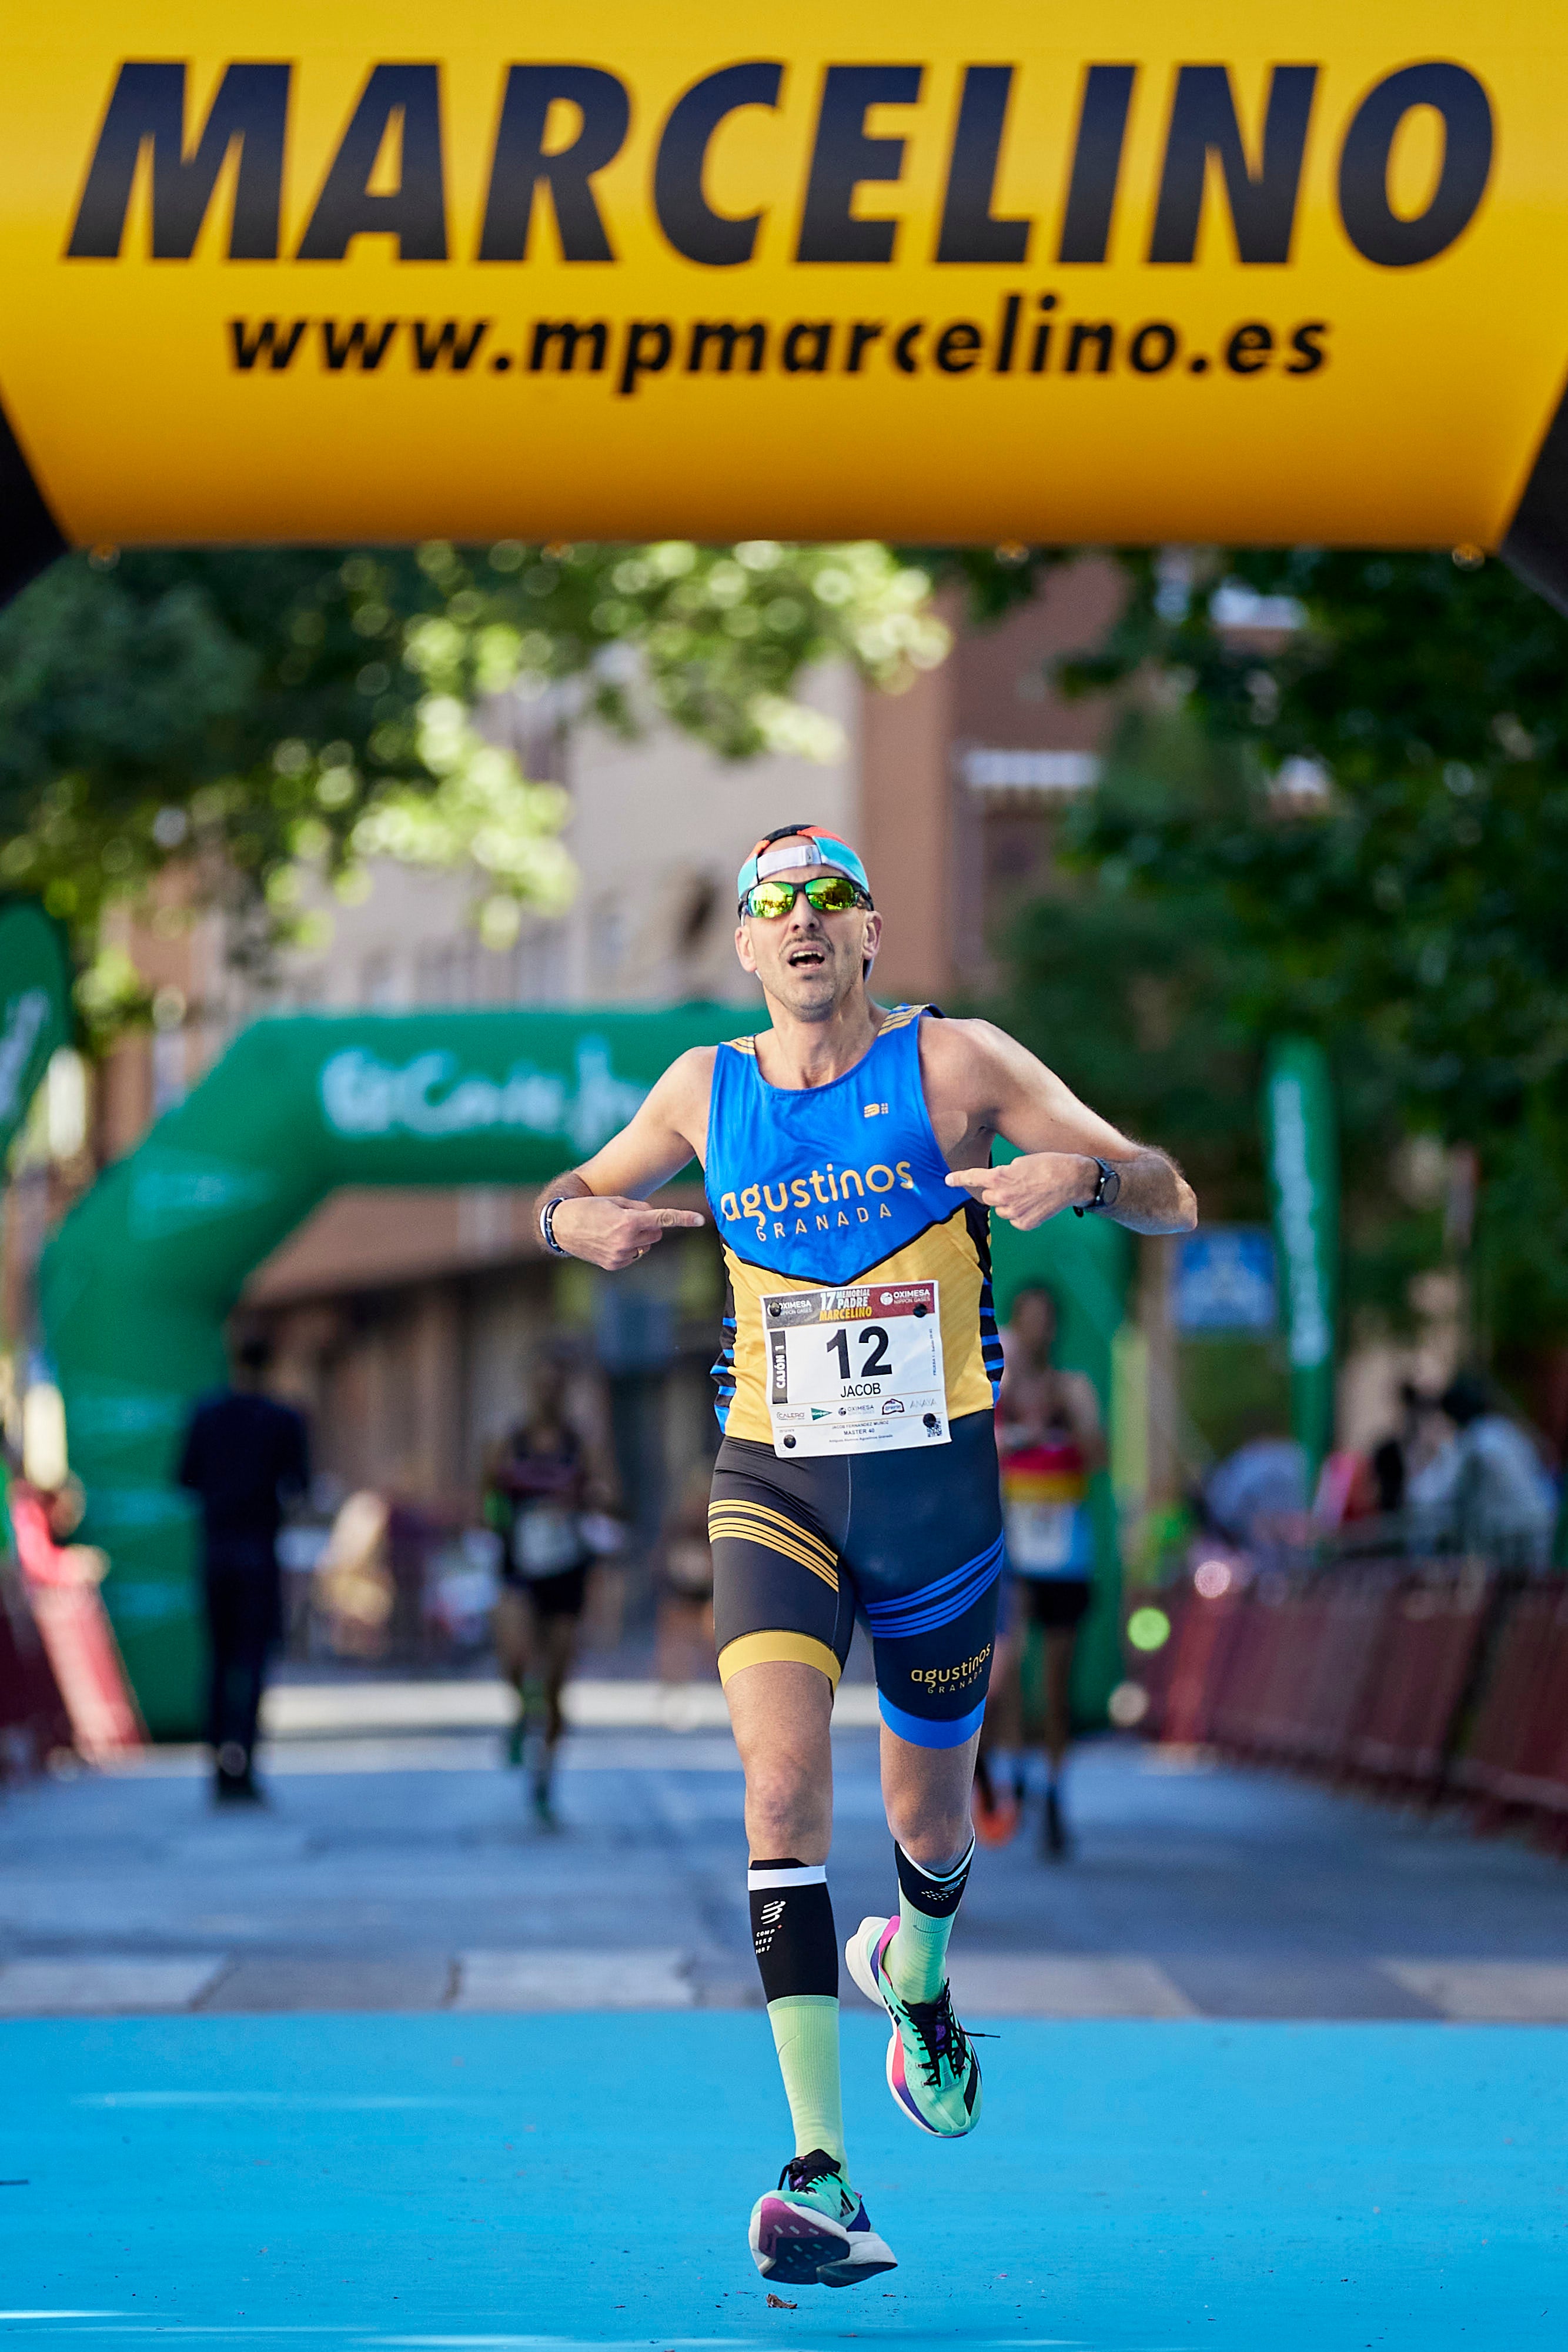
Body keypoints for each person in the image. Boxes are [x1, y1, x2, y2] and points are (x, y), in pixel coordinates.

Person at [531, 821, 1195, 2287]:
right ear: (752, 948)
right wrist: (582, 1222)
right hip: (772, 1482)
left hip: (937, 1494)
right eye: (779, 903)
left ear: (871, 934)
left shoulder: (958, 1065)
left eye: (834, 897)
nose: (807, 919)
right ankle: (820, 2169)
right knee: (779, 1783)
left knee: (931, 1825)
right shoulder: (704, 1087)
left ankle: (921, 1980)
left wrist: (1076, 1182)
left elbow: (1169, 1188)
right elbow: (567, 1189)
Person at [976, 1284, 1106, 1860]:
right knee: (1008, 1670)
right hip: (1012, 1544)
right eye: (1025, 1323)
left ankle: (1054, 1790)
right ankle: (1013, 1775)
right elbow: (977, 1450)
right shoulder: (995, 1387)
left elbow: (1099, 1456)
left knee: (1057, 1679)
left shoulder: (1072, 1388)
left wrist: (1069, 1418)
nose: (1035, 1333)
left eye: (1044, 1323)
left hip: (1065, 1547)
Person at [177, 1332, 310, 1805]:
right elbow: (300, 1487)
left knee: (218, 1659)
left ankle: (217, 1764)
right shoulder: (282, 1419)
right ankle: (246, 1762)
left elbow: (184, 1478)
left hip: (216, 1551)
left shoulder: (206, 1415)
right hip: (258, 1551)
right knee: (252, 1660)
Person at [485, 1359, 609, 1826]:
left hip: (567, 1569)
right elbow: (485, 1498)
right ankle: (520, 1712)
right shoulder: (506, 1441)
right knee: (516, 1656)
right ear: (529, 1390)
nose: (547, 1396)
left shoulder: (581, 1445)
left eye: (556, 1386)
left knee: (556, 1682)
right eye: (541, 1386)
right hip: (517, 1565)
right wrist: (494, 1524)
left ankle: (544, 1780)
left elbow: (610, 1495)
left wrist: (587, 1501)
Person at [1407, 1372, 1556, 1568]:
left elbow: (1433, 1494)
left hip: (1515, 1540)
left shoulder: (1477, 1442)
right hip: (1539, 1530)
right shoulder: (1504, 1431)